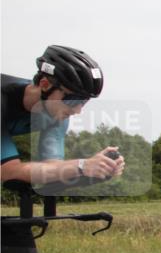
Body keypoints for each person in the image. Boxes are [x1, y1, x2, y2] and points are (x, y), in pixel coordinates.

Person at [1, 45, 124, 187]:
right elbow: (7, 172)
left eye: (84, 101)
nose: (77, 110)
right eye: (73, 100)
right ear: (45, 85)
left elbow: (53, 167)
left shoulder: (57, 113)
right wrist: (82, 166)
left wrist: (99, 168)